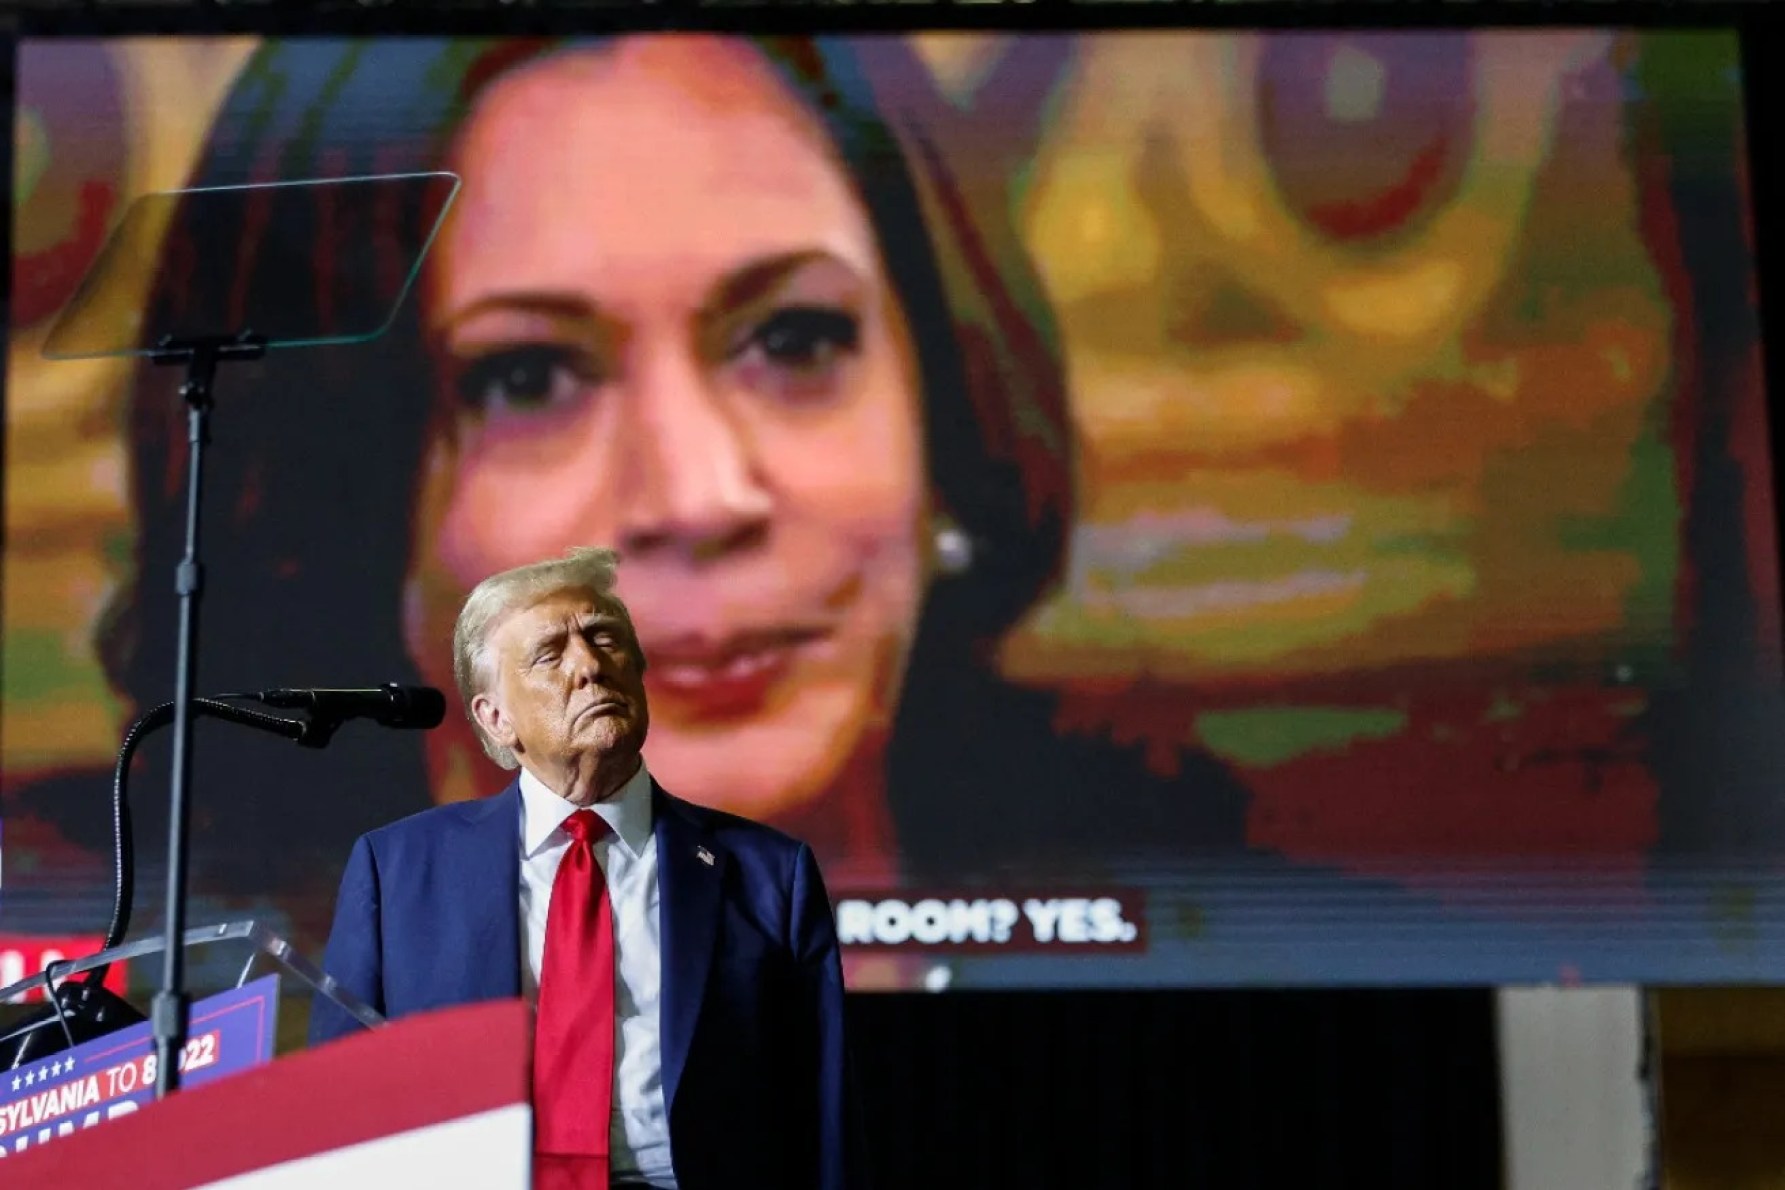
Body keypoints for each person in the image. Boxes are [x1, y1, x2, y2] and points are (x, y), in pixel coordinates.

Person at [27, 34, 1250, 935]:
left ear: (946, 406)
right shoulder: (140, 992)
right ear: (333, 507)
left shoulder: (1226, 921)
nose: (701, 494)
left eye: (795, 340)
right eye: (527, 376)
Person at [309, 546, 863, 1190]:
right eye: (551, 654)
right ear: (495, 717)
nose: (591, 666)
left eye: (605, 639)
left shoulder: (769, 873)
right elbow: (340, 1099)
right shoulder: (397, 868)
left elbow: (822, 1110)